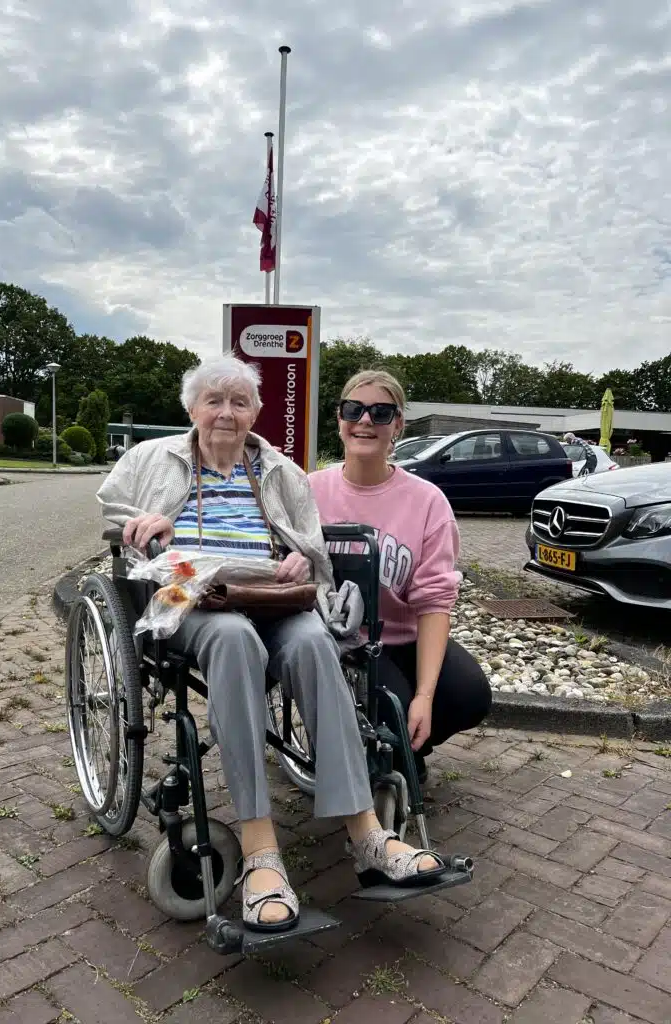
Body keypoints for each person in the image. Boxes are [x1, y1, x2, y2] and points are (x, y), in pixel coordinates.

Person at [96, 354, 447, 935]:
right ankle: (261, 850)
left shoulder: (279, 469)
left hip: (272, 597)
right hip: (193, 595)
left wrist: (296, 559)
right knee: (234, 640)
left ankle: (365, 832)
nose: (226, 413)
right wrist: (142, 520)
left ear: (257, 411)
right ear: (192, 409)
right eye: (214, 400)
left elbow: (312, 550)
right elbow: (112, 509)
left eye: (239, 402)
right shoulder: (150, 459)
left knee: (313, 642)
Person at [309, 369, 492, 783]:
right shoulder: (310, 490)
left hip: (402, 638)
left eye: (381, 411)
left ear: (398, 425)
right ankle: (383, 753)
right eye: (354, 409)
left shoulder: (427, 502)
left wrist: (426, 696)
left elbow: (434, 601)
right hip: (342, 644)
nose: (366, 420)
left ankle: (406, 750)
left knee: (468, 695)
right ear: (339, 418)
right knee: (392, 704)